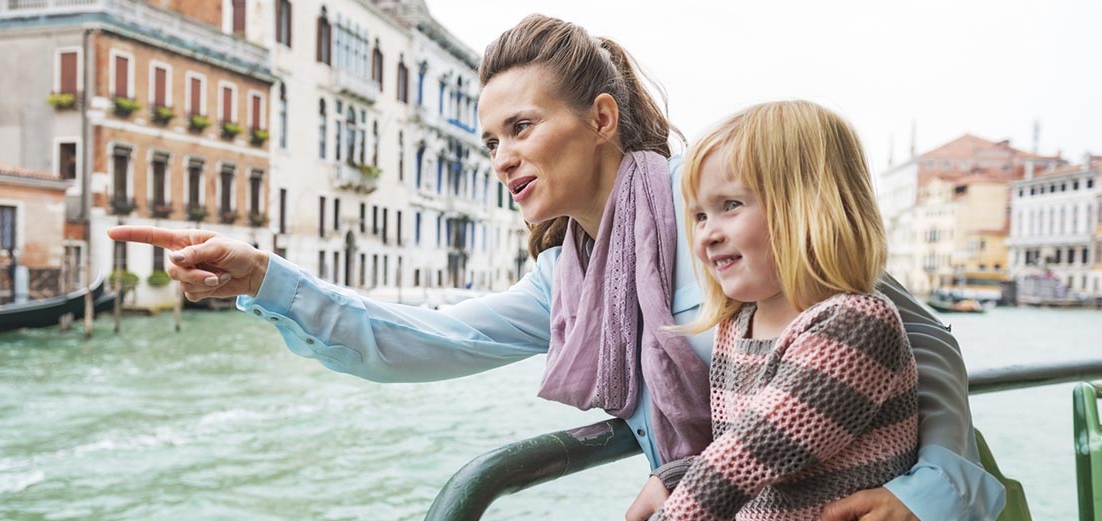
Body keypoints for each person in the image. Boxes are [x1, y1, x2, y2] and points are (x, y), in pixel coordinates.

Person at [108, 14, 1003, 520]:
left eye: (523, 129)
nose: (501, 158)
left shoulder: (724, 216)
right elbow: (414, 339)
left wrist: (925, 499)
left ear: (603, 120)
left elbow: (917, 344)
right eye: (490, 139)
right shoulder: (567, 281)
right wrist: (268, 277)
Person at [639, 101, 917, 520]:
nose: (706, 235)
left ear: (809, 205)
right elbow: (761, 465)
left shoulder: (856, 326)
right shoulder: (738, 326)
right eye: (698, 215)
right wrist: (674, 476)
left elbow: (752, 454)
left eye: (730, 205)